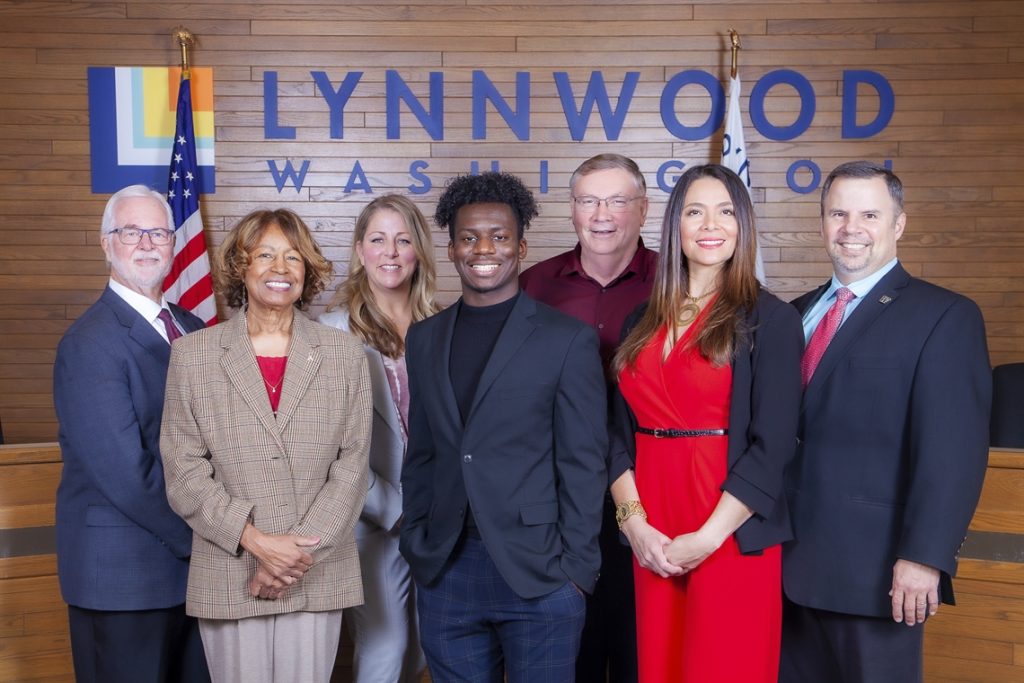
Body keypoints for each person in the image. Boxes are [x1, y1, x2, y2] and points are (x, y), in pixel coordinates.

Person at [780, 161, 992, 683]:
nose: (852, 228)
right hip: (782, 567)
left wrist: (924, 557)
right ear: (823, 222)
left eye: (870, 214)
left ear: (899, 224)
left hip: (876, 574)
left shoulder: (944, 316)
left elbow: (953, 452)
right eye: (839, 213)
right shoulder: (793, 313)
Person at [399, 171, 608, 683]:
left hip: (540, 572)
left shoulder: (566, 340)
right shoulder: (424, 338)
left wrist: (576, 571)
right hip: (446, 568)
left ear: (521, 246)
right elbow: (423, 452)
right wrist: (417, 539)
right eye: (469, 237)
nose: (483, 248)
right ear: (451, 250)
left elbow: (584, 462)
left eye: (499, 236)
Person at [609, 164, 803, 683]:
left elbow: (774, 446)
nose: (709, 224)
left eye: (724, 211)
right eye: (695, 211)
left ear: (743, 225)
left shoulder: (772, 320)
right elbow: (613, 433)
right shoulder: (640, 319)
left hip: (729, 526)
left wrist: (709, 538)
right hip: (653, 522)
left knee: (722, 665)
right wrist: (633, 523)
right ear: (675, 226)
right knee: (660, 665)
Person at [160, 208, 372, 683]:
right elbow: (183, 469)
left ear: (307, 270)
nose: (281, 268)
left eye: (293, 257)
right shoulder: (192, 356)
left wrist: (290, 559)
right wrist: (257, 544)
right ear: (241, 266)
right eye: (266, 255)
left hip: (315, 571)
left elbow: (353, 466)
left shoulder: (344, 355)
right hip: (230, 567)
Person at [52, 185, 210, 683]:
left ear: (172, 242)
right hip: (123, 578)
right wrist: (214, 537)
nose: (146, 243)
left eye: (158, 231)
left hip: (188, 577)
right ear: (106, 243)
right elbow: (126, 476)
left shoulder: (189, 327)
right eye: (130, 231)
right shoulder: (89, 342)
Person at [520, 153, 656, 682]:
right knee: (565, 655)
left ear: (643, 210)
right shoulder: (532, 287)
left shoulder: (679, 284)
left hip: (650, 502)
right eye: (588, 201)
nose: (602, 214)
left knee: (638, 654)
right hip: (556, 505)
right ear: (572, 210)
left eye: (617, 201)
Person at [319, 194, 438, 683]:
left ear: (419, 251)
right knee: (385, 650)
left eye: (403, 239)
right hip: (373, 521)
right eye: (378, 239)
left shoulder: (444, 324)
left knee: (424, 653)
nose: (390, 252)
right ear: (359, 250)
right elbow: (326, 450)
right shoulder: (329, 334)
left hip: (437, 520)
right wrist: (394, 509)